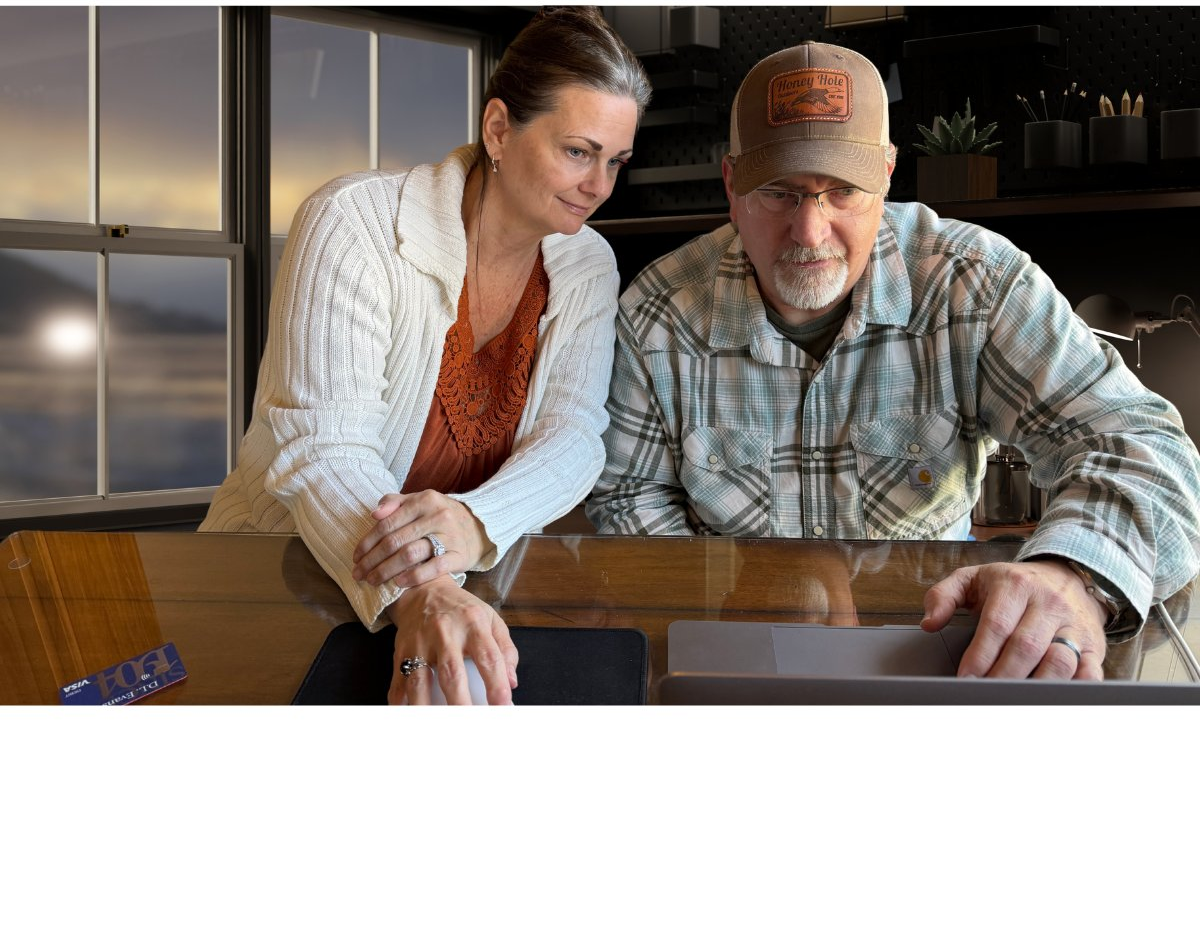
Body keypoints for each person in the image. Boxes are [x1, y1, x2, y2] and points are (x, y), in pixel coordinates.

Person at [586, 40, 1200, 680]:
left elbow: (1146, 446)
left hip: (937, 656)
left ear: (885, 174)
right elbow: (629, 498)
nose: (810, 231)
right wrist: (724, 612)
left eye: (842, 191)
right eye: (779, 192)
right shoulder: (657, 316)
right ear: (732, 184)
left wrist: (1072, 574)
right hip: (736, 658)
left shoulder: (977, 286)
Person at [201, 8, 650, 705]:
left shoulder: (587, 263)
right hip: (288, 579)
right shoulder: (354, 223)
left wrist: (474, 525)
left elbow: (574, 436)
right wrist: (423, 582)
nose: (599, 185)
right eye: (577, 151)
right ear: (498, 128)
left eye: (615, 160)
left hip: (467, 592)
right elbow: (324, 447)